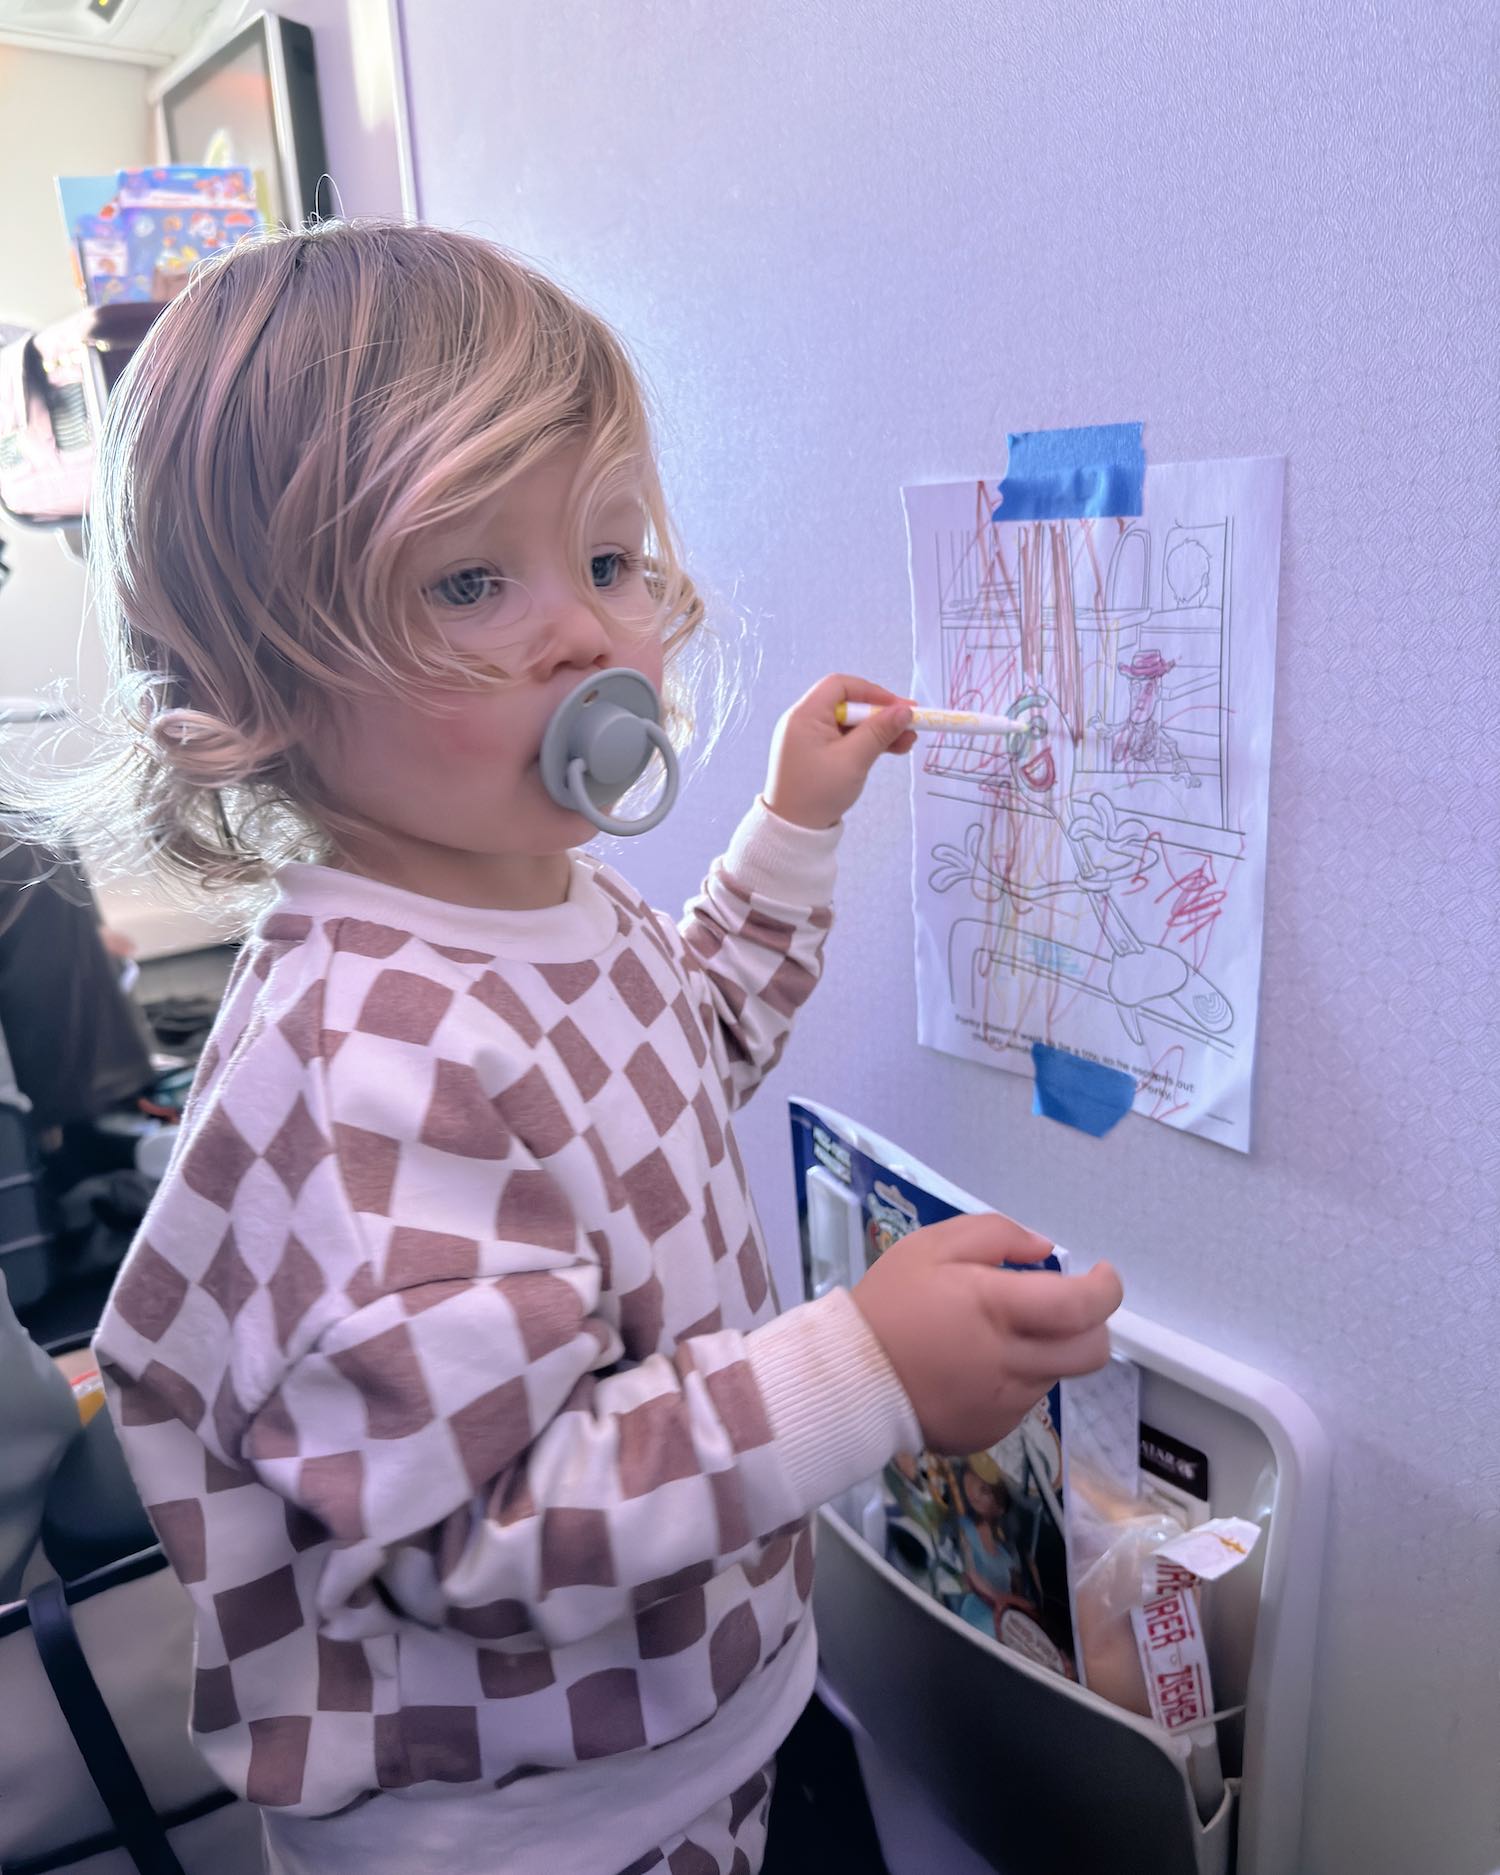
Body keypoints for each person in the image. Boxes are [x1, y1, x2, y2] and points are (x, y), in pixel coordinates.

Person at [74, 222, 1122, 1875]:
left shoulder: (551, 900)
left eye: (614, 559)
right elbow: (482, 1524)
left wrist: (791, 826)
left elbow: (681, 1050)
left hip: (708, 1719)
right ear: (256, 677)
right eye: (473, 582)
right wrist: (865, 1372)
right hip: (530, 1829)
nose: (592, 636)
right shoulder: (364, 1055)